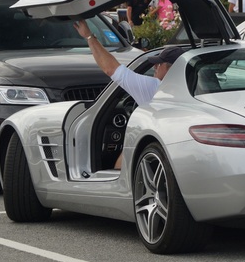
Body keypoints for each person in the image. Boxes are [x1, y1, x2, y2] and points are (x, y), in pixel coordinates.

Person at [73, 19, 185, 169]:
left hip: (157, 153)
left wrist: (89, 36)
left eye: (159, 63)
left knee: (129, 149)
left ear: (170, 68)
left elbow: (111, 69)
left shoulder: (154, 87)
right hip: (184, 150)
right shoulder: (195, 89)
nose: (156, 67)